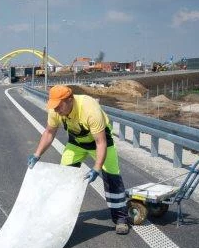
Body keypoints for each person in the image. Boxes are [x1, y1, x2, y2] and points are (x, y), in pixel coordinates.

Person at [28, 85, 129, 234]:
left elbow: (101, 142)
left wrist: (96, 167)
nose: (56, 110)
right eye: (53, 106)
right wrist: (37, 154)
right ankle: (63, 216)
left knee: (112, 177)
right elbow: (49, 133)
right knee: (64, 175)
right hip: (76, 143)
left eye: (58, 106)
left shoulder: (89, 109)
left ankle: (121, 219)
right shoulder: (55, 110)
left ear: (70, 100)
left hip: (100, 144)